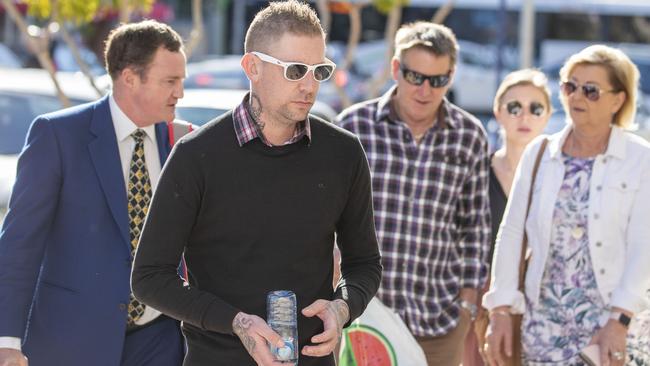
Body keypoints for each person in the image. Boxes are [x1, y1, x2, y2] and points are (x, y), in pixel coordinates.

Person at [131, 1, 382, 365]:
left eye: (319, 71)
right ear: (253, 67)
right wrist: (237, 323)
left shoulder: (343, 153)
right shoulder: (196, 155)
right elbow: (150, 277)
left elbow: (365, 263)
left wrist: (343, 308)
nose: (309, 85)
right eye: (295, 70)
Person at [0, 20, 186, 366]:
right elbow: (19, 243)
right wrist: (6, 339)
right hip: (72, 342)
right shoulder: (57, 136)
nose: (180, 93)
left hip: (161, 341)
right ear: (130, 77)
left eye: (181, 81)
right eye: (170, 82)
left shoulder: (182, 140)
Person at [483, 45, 650, 365]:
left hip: (612, 327)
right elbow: (512, 232)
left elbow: (645, 245)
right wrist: (500, 308)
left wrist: (620, 320)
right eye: (569, 86)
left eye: (591, 90)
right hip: (543, 328)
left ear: (618, 99)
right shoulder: (539, 153)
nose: (576, 97)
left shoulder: (640, 158)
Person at [337, 21, 490, 365]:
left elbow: (474, 226)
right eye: (414, 76)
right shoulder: (353, 127)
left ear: (451, 76)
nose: (425, 89)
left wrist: (467, 303)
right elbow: (328, 217)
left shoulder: (469, 136)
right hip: (364, 314)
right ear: (395, 68)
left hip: (439, 320)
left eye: (438, 80)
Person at [462, 69, 552, 366]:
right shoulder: (478, 172)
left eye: (535, 108)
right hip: (481, 299)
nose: (524, 116)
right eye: (514, 107)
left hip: (541, 301)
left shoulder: (557, 178)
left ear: (548, 115)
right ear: (498, 113)